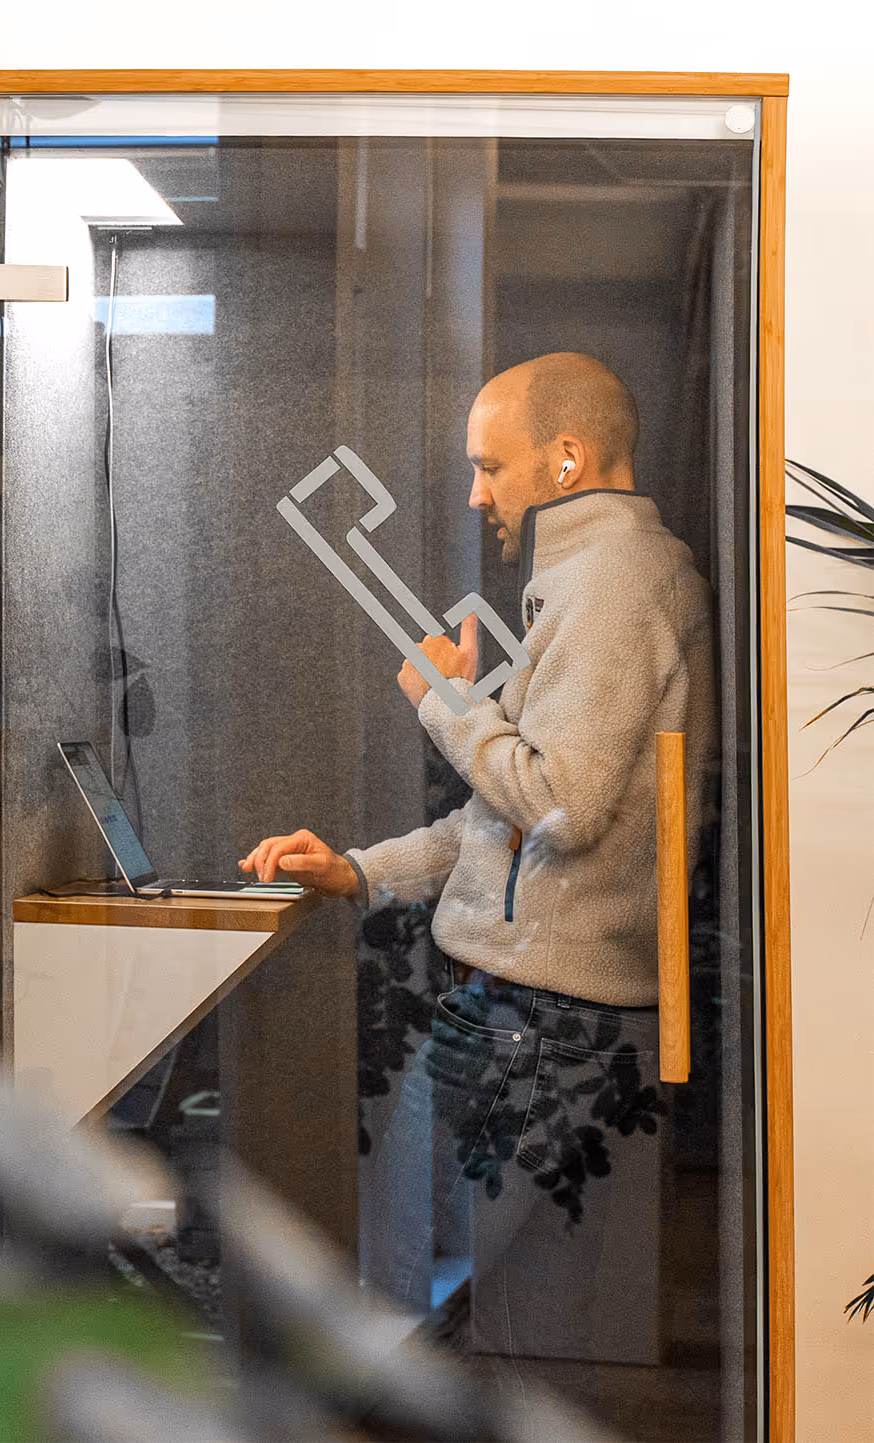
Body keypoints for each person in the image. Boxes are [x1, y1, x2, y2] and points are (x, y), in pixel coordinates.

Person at [239, 352, 714, 1360]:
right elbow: (505, 824)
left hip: (539, 1020)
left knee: (399, 1295)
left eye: (489, 466)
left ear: (568, 459)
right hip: (546, 1015)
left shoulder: (613, 587)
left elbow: (559, 807)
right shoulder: (592, 582)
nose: (474, 492)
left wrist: (447, 707)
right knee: (521, 1324)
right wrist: (356, 871)